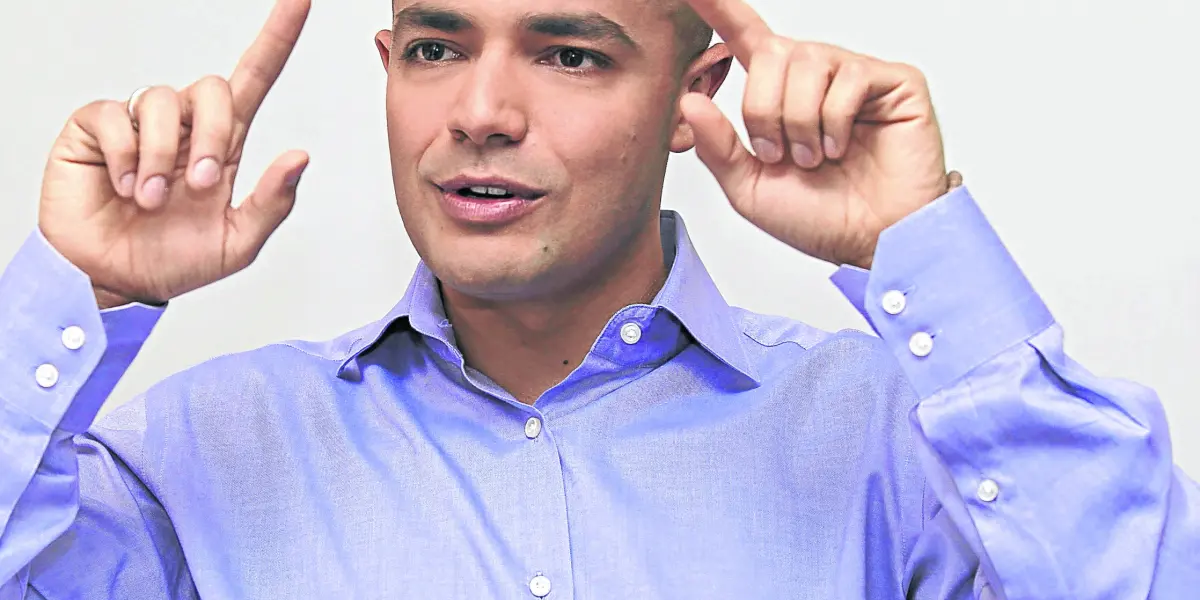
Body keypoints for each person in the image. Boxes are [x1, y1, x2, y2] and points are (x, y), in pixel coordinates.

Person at [0, 0, 1196, 597]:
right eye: (436, 48)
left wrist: (919, 246)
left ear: (694, 95)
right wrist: (80, 288)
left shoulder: (901, 444)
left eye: (571, 53)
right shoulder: (189, 459)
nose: (480, 112)